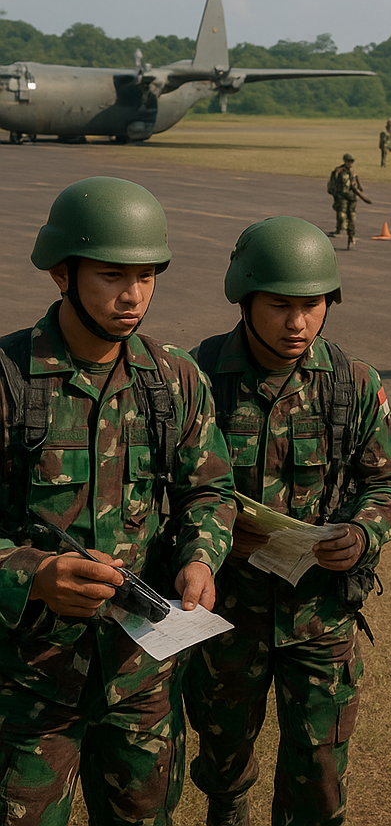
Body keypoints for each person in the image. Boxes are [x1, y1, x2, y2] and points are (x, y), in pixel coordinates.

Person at [0, 176, 236, 826]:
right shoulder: (8, 382)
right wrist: (35, 575)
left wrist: (202, 557)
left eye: (146, 274)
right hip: (28, 685)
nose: (133, 294)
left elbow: (209, 492)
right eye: (111, 274)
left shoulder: (176, 378)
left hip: (143, 682)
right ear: (61, 273)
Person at [185, 216, 391, 826]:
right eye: (280, 306)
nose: (297, 323)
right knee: (222, 753)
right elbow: (164, 487)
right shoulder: (195, 378)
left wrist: (363, 533)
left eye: (311, 306)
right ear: (245, 299)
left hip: (320, 614)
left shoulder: (353, 383)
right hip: (221, 613)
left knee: (318, 775)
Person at [327, 153, 371, 250]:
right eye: (348, 161)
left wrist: (360, 191)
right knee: (342, 215)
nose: (350, 164)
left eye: (351, 162)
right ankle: (340, 228)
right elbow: (331, 186)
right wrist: (336, 195)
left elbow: (358, 186)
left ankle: (351, 238)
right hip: (342, 198)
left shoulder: (353, 173)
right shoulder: (338, 172)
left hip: (352, 199)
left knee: (352, 219)